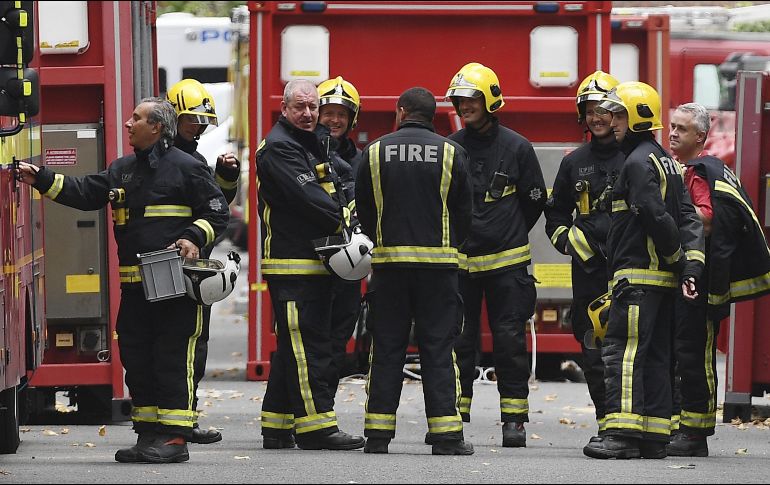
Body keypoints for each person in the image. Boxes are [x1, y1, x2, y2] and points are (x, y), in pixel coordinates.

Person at [15, 97, 230, 463]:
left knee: (171, 359)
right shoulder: (124, 170)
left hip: (175, 288)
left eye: (137, 118)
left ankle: (175, 439)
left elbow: (217, 211)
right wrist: (42, 178)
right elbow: (85, 192)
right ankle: (148, 435)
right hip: (135, 289)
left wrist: (193, 236)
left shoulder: (187, 167)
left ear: (158, 127)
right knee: (138, 358)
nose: (128, 124)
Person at [582, 82, 705, 460]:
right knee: (653, 356)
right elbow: (688, 217)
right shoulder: (667, 160)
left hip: (637, 278)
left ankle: (622, 434)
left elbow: (655, 215)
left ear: (637, 118)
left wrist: (672, 257)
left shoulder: (636, 163)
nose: (610, 121)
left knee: (624, 352)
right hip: (660, 282)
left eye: (619, 114)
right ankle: (653, 435)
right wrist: (689, 264)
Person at [355, 87, 473, 455]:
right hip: (438, 270)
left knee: (387, 348)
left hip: (389, 268)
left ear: (401, 110)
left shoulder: (374, 152)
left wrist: (384, 240)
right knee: (439, 347)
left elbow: (364, 208)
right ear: (433, 114)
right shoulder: (452, 152)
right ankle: (446, 436)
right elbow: (465, 212)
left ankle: (377, 436)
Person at [256, 79, 364, 451]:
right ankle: (317, 426)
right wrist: (348, 222)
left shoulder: (311, 143)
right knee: (309, 347)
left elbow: (341, 180)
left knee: (295, 346)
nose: (308, 114)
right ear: (284, 108)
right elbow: (311, 200)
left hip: (315, 263)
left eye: (312, 107)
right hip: (294, 264)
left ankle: (277, 424)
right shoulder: (280, 148)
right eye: (300, 107)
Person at [444, 62, 546, 448]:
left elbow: (534, 201)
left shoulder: (517, 147)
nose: (463, 105)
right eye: (459, 99)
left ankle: (514, 421)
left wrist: (507, 230)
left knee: (509, 344)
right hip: (462, 264)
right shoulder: (452, 147)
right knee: (459, 340)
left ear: (490, 101)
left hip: (508, 265)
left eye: (471, 98)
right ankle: (454, 414)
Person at [667, 103, 770, 457]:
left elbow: (707, 221)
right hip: (695, 276)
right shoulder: (705, 169)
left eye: (682, 128)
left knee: (693, 353)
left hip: (700, 279)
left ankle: (695, 434)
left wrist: (670, 209)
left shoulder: (700, 171)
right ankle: (683, 426)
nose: (673, 133)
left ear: (700, 136)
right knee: (685, 351)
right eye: (672, 126)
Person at [545, 71, 623, 437]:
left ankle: (635, 421)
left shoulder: (637, 156)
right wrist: (577, 247)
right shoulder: (574, 162)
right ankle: (607, 422)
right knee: (592, 345)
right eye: (590, 110)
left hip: (630, 269)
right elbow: (556, 216)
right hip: (589, 273)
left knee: (634, 346)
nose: (596, 117)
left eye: (604, 110)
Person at [166, 78, 241, 445]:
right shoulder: (166, 159)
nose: (197, 127)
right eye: (190, 120)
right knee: (174, 343)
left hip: (194, 270)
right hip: (171, 265)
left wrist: (226, 177)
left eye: (201, 122)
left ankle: (185, 416)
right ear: (173, 118)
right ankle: (173, 420)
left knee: (195, 343)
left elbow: (216, 208)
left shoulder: (195, 160)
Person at [316, 76, 365, 396]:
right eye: (329, 112)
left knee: (338, 338)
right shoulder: (302, 152)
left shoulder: (361, 160)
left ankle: (323, 407)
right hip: (310, 264)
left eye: (342, 114)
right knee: (311, 339)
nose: (335, 120)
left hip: (349, 266)